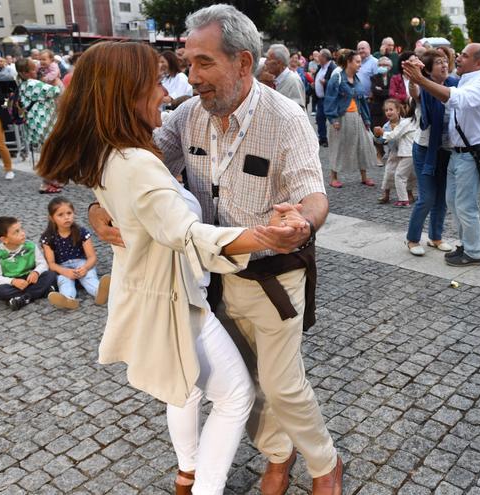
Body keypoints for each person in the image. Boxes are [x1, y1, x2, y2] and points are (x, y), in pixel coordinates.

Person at [88, 6, 342, 493]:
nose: (192, 77)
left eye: (204, 63)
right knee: (244, 381)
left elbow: (314, 193)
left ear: (243, 63)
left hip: (275, 275)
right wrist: (98, 209)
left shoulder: (285, 118)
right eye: (188, 64)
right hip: (212, 279)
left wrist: (303, 221)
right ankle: (276, 455)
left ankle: (325, 462)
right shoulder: (186, 116)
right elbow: (138, 171)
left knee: (283, 385)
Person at [34, 40, 295, 495]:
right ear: (127, 93)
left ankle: (187, 473)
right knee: (234, 396)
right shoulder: (135, 162)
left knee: (187, 388)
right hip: (178, 302)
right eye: (154, 81)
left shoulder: (111, 153)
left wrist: (102, 214)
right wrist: (264, 235)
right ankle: (203, 487)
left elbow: (130, 211)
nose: (166, 91)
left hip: (149, 295)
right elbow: (188, 235)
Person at [404, 43, 480, 266]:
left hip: (470, 154)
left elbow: (454, 98)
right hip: (456, 153)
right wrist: (419, 72)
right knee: (453, 202)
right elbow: (431, 89)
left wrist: (421, 79)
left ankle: (473, 252)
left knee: (465, 206)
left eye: (464, 55)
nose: (457, 58)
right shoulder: (466, 79)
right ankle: (465, 245)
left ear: (479, 63)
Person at [405, 49, 457, 256]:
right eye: (438, 62)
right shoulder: (424, 87)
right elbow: (414, 92)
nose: (444, 65)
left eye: (445, 61)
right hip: (425, 150)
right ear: (428, 68)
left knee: (442, 197)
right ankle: (412, 239)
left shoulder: (455, 85)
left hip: (447, 149)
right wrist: (413, 77)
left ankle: (436, 237)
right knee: (427, 197)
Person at [39, 197, 110, 309]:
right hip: (61, 267)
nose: (66, 217)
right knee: (64, 281)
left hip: (81, 264)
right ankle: (68, 299)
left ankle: (99, 293)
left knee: (89, 277)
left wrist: (85, 268)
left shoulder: (82, 232)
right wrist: (65, 271)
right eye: (60, 215)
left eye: (69, 213)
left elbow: (92, 257)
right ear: (52, 218)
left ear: (74, 213)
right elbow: (51, 264)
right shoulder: (48, 238)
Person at [325, 49, 377, 188]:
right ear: (349, 62)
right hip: (341, 117)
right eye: (357, 62)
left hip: (357, 117)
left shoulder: (356, 79)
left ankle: (364, 176)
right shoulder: (337, 78)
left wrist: (366, 120)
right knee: (338, 146)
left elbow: (362, 101)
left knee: (363, 145)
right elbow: (330, 99)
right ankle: (333, 177)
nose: (360, 64)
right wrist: (333, 119)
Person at [0, 216, 59, 310]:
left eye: (21, 229)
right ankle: (42, 291)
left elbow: (42, 264)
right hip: (14, 283)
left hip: (31, 278)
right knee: (0, 291)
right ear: (4, 239)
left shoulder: (30, 246)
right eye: (16, 232)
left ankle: (24, 298)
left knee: (51, 275)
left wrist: (36, 272)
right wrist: (13, 281)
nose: (22, 233)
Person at [16, 57, 64, 194]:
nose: (36, 70)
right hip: (43, 124)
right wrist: (56, 78)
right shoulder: (31, 83)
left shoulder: (23, 83)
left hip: (37, 124)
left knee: (47, 153)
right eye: (33, 68)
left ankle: (50, 180)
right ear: (25, 73)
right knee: (49, 154)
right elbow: (56, 91)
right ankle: (48, 182)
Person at [373, 98, 417, 206]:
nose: (388, 112)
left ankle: (408, 194)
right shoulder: (386, 125)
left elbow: (394, 135)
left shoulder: (404, 123)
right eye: (386, 110)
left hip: (405, 153)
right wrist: (377, 135)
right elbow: (381, 141)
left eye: (391, 109)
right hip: (394, 153)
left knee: (408, 175)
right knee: (389, 173)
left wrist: (385, 133)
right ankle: (386, 194)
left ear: (398, 110)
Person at [264, 44, 306, 108]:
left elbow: (298, 111)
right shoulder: (276, 80)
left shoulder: (293, 81)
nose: (265, 62)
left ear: (279, 63)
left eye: (268, 59)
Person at [314, 49, 335, 146]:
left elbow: (335, 82)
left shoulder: (332, 67)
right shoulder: (320, 67)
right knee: (319, 118)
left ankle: (333, 139)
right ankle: (323, 138)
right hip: (320, 99)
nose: (318, 58)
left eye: (320, 56)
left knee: (331, 119)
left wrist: (325, 82)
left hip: (329, 99)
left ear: (325, 57)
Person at [369, 57, 393, 127]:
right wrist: (387, 92)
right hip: (377, 109)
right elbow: (375, 91)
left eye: (385, 65)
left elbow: (392, 92)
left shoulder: (393, 77)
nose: (382, 66)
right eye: (380, 65)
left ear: (390, 67)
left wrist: (382, 90)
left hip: (389, 107)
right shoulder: (374, 77)